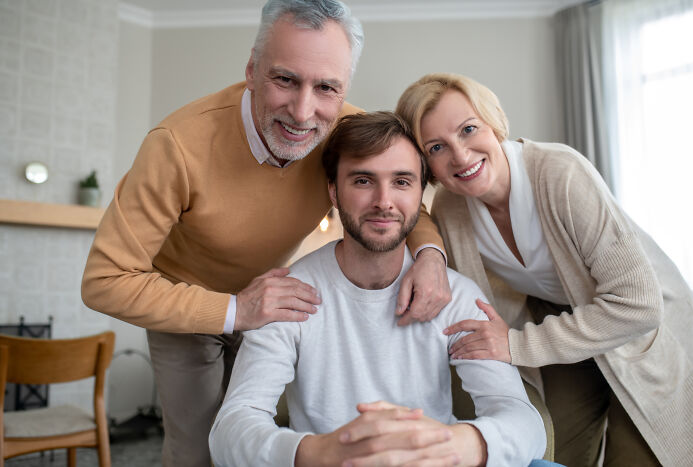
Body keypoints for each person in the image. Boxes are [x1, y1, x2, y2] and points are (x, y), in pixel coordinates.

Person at [80, 2, 451, 465]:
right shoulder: (175, 146)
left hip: (272, 298)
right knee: (198, 449)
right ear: (252, 70)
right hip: (184, 303)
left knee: (261, 440)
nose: (302, 111)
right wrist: (235, 309)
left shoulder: (345, 130)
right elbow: (103, 281)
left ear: (344, 88)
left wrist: (432, 255)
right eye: (285, 80)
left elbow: (405, 192)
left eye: (326, 88)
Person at [209, 111, 550, 467]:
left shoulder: (454, 295)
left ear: (420, 193)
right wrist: (318, 453)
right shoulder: (289, 296)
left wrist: (457, 445)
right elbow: (229, 430)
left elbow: (525, 423)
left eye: (401, 182)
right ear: (334, 192)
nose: (383, 201)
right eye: (362, 181)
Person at [395, 72, 693, 467]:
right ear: (427, 165)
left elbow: (640, 305)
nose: (461, 155)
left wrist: (516, 345)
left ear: (493, 120)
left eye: (469, 129)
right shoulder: (452, 209)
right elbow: (411, 210)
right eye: (437, 147)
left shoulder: (560, 173)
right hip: (557, 322)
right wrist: (429, 256)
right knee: (555, 453)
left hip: (641, 325)